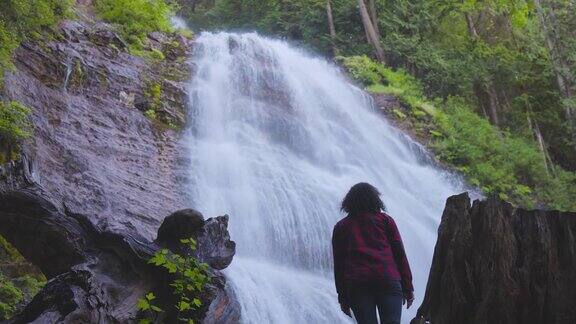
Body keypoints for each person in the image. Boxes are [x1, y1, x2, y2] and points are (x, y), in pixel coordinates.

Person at [332, 182, 414, 324]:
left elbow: (339, 265)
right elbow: (399, 255)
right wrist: (408, 287)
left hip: (358, 283)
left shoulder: (341, 227)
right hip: (388, 279)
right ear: (375, 200)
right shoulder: (386, 221)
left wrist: (343, 298)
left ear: (349, 202)